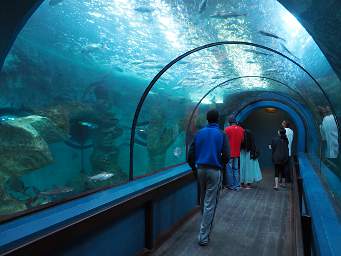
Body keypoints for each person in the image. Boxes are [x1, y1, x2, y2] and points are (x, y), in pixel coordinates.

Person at [187, 109, 230, 246]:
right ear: (217, 119)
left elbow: (190, 155)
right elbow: (227, 155)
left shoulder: (199, 133)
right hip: (214, 170)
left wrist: (195, 168)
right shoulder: (221, 134)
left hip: (200, 169)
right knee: (210, 203)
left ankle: (205, 226)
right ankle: (203, 236)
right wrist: (220, 166)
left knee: (203, 199)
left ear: (207, 119)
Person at [224, 116, 244, 191]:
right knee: (235, 169)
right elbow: (242, 140)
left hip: (229, 153)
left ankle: (231, 185)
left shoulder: (227, 129)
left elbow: (225, 141)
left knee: (229, 169)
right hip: (237, 153)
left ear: (229, 122)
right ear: (235, 122)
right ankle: (237, 186)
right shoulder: (241, 129)